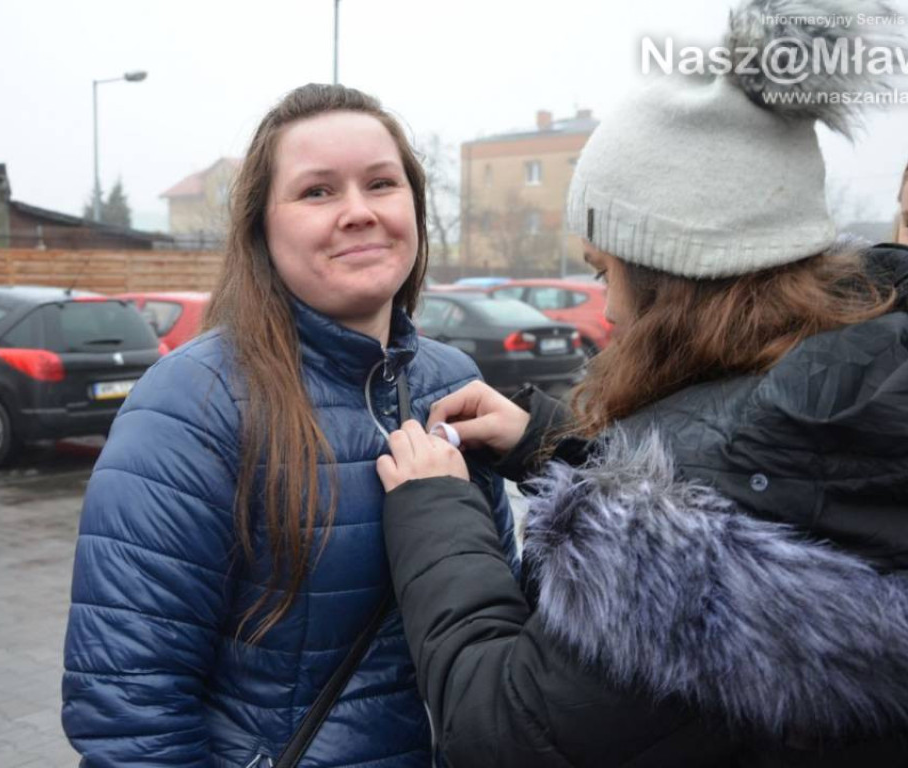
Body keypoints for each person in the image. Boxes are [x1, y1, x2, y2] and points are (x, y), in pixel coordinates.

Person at [375, 4, 908, 766]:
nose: (607, 308)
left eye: (604, 272)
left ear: (674, 279)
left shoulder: (663, 538)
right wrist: (548, 445)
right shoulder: (863, 386)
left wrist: (435, 511)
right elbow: (755, 473)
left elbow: (503, 728)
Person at [61, 83, 516, 767]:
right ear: (261, 231)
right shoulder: (192, 405)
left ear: (415, 208)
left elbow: (503, 626)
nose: (359, 212)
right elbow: (129, 704)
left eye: (381, 183)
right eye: (317, 192)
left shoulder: (457, 389)